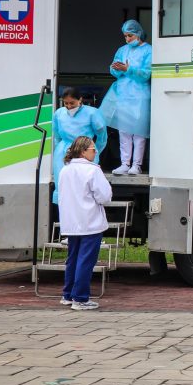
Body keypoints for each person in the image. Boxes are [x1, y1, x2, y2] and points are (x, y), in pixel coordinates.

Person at [57, 136, 112, 311]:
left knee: (72, 259)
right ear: (83, 151)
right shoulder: (93, 171)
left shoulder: (65, 170)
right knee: (86, 261)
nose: (95, 152)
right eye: (92, 149)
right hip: (90, 222)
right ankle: (80, 298)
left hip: (71, 223)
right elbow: (104, 197)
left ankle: (68, 295)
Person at [101, 20, 152, 176]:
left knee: (139, 132)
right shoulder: (122, 50)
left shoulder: (149, 51)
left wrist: (128, 69)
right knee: (124, 131)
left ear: (138, 34)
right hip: (122, 95)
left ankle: (136, 165)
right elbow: (113, 69)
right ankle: (124, 163)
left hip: (140, 96)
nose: (127, 39)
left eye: (130, 35)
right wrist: (118, 69)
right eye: (125, 36)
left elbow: (146, 74)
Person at [52, 87, 107, 204]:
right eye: (65, 103)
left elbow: (102, 136)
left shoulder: (92, 113)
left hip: (85, 151)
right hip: (62, 152)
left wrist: (94, 151)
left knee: (85, 186)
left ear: (80, 99)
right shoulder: (59, 113)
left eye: (72, 103)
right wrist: (58, 150)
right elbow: (56, 136)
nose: (69, 106)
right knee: (63, 185)